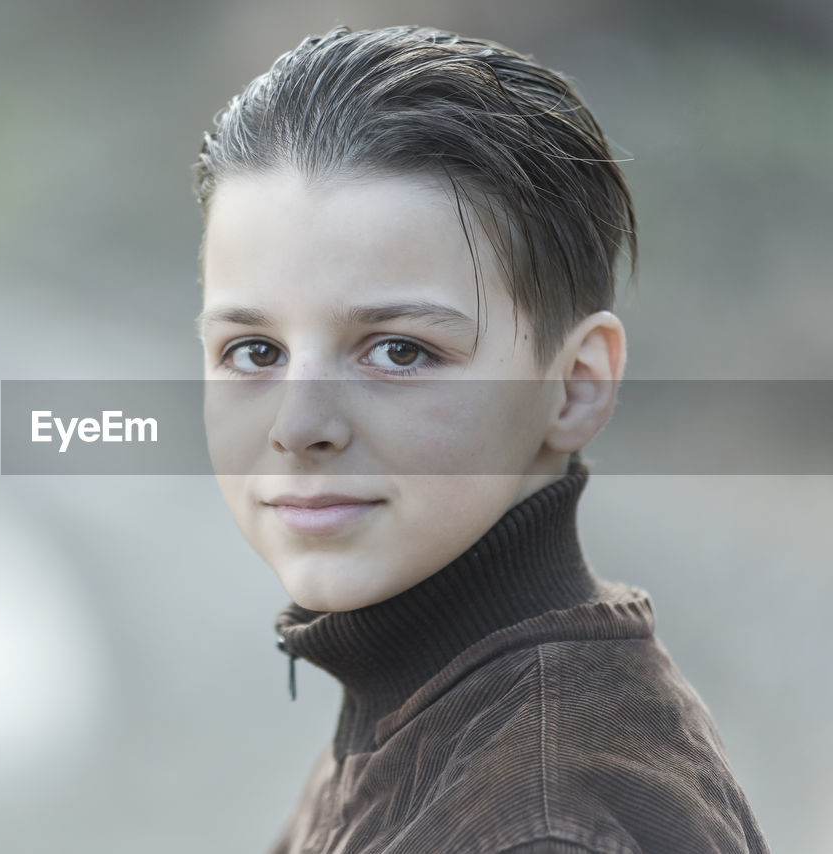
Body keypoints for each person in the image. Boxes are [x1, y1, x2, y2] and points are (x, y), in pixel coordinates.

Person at [192, 25, 770, 854]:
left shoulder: (544, 819)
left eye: (399, 351)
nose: (297, 427)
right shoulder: (426, 703)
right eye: (255, 353)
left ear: (574, 386)